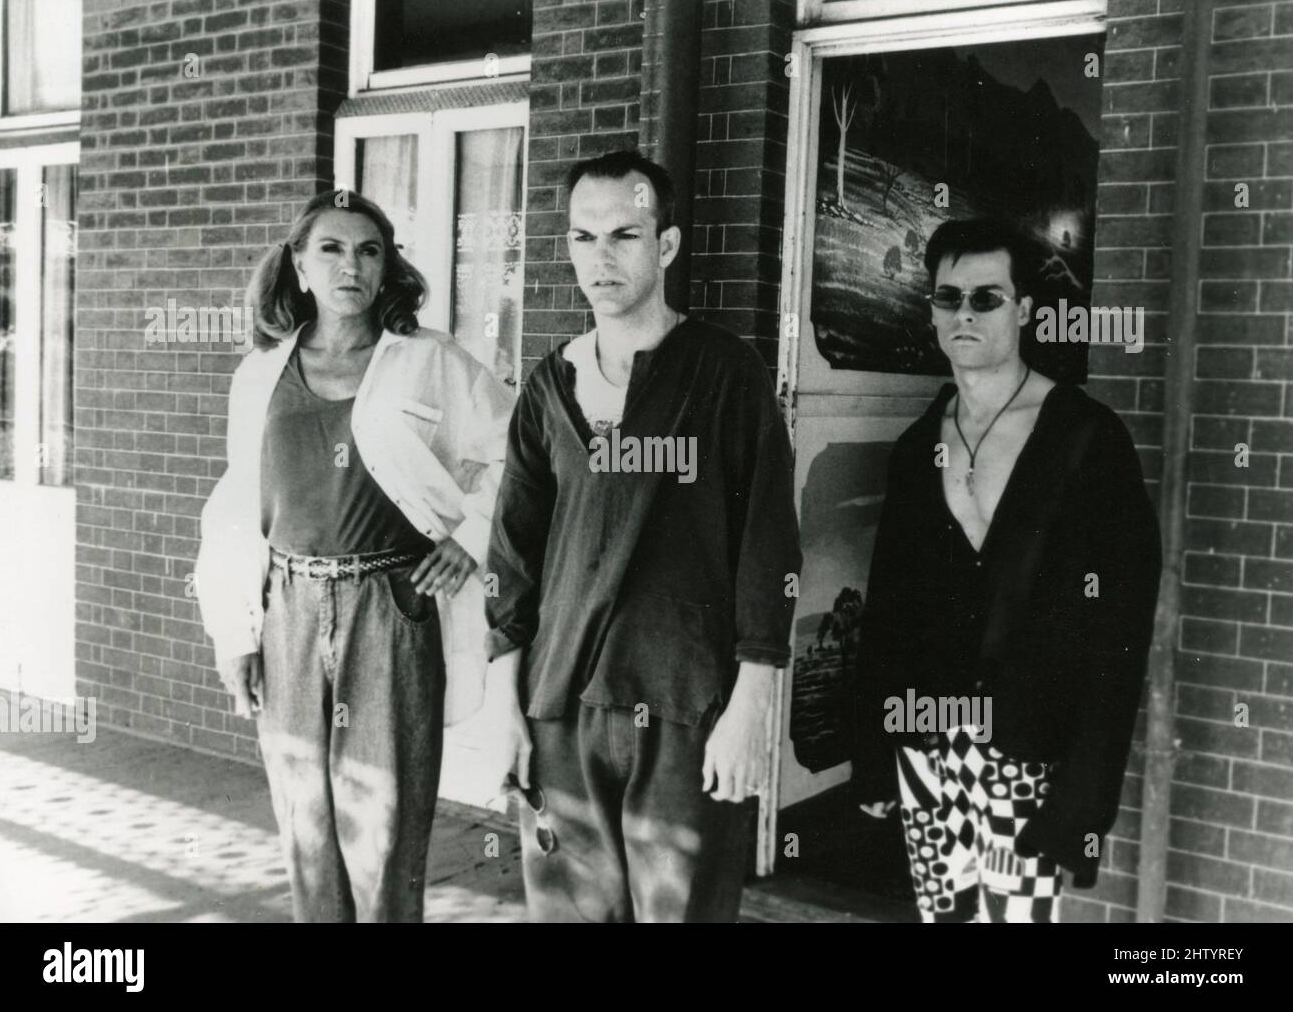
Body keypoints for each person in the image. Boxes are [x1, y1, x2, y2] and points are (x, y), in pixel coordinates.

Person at [482, 150, 801, 922]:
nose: (602, 257)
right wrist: (505, 703)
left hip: (687, 704)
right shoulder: (549, 385)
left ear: (666, 246)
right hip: (563, 706)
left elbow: (769, 543)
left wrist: (753, 699)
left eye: (625, 234)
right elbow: (512, 555)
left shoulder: (727, 374)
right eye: (584, 238)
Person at [195, 189, 514, 922]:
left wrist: (468, 539)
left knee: (387, 830)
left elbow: (519, 456)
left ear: (387, 267)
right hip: (289, 610)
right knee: (305, 826)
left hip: (391, 609)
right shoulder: (260, 376)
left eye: (370, 250)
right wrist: (233, 637)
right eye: (332, 249)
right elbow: (237, 510)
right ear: (299, 265)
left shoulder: (430, 362)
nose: (352, 265)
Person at [852, 217, 1162, 923]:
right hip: (927, 746)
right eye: (947, 297)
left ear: (1024, 310)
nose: (963, 313)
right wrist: (875, 750)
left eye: (986, 298)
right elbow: (889, 614)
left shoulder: (1086, 440)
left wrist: (1083, 797)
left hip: (1029, 753)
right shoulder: (915, 448)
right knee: (943, 917)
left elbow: (1119, 633)